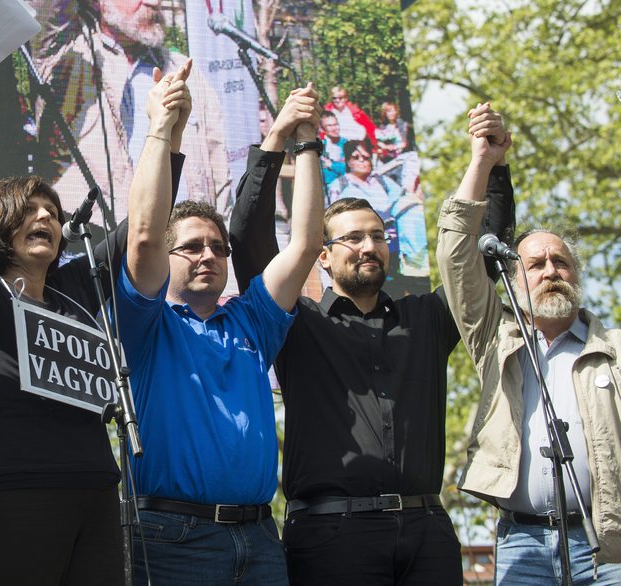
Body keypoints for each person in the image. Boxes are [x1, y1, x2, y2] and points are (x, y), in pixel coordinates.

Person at [0, 20, 184, 586]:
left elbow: (146, 230)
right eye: (28, 210)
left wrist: (163, 132)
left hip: (94, 495)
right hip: (9, 497)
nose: (46, 219)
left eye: (54, 214)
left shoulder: (77, 290)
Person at [228, 110, 515, 585]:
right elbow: (247, 239)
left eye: (379, 236)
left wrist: (490, 166)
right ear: (322, 255)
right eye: (353, 237)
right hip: (330, 534)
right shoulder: (295, 324)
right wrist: (280, 140)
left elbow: (479, 263)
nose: (369, 246)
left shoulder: (426, 320)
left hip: (428, 533)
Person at [114, 72, 323, 584]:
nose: (208, 254)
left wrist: (308, 143)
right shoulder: (143, 322)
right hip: (167, 539)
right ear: (167, 255)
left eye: (218, 246)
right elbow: (142, 236)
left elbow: (304, 245)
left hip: (259, 538)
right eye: (191, 245)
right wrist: (163, 131)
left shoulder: (251, 320)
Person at [437, 102, 621, 584]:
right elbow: (457, 253)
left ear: (577, 275)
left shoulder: (614, 350)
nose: (550, 272)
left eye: (560, 262)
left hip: (607, 544)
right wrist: (483, 160)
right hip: (522, 545)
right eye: (535, 265)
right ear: (513, 281)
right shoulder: (496, 339)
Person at [28, 0, 230, 224]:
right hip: (100, 246)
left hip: (181, 247)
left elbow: (220, 173)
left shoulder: (182, 70)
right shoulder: (65, 54)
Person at [328, 138, 428, 277]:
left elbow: (401, 200)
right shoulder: (339, 185)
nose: (362, 161)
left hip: (389, 230)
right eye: (356, 157)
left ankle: (416, 266)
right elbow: (335, 219)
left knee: (413, 207)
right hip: (359, 236)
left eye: (366, 157)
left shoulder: (383, 181)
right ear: (348, 161)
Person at [374, 101, 419, 192]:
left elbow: (404, 143)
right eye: (389, 111)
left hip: (401, 155)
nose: (392, 113)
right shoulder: (382, 127)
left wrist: (391, 147)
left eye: (393, 111)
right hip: (388, 158)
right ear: (385, 113)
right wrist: (383, 146)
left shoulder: (402, 125)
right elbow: (378, 142)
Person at [318, 110, 345, 185]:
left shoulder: (347, 144)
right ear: (322, 129)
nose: (334, 128)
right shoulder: (320, 146)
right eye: (329, 126)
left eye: (336, 124)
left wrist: (332, 165)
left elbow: (351, 169)